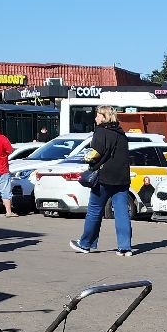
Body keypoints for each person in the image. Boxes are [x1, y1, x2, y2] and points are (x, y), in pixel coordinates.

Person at [70, 106, 134, 257]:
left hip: (104, 177)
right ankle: (125, 248)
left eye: (98, 116)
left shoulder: (100, 131)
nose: (96, 118)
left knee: (94, 211)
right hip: (122, 178)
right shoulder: (121, 133)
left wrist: (86, 158)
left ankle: (86, 244)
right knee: (122, 212)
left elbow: (96, 153)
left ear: (104, 117)